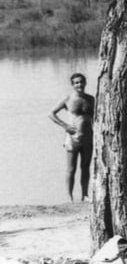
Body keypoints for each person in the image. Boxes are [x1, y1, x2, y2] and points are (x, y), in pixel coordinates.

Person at [49, 72, 95, 202]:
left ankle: (85, 195)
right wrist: (65, 126)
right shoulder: (67, 99)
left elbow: (96, 117)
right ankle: (69, 197)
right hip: (72, 138)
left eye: (81, 82)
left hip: (87, 137)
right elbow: (51, 113)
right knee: (71, 168)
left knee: (85, 167)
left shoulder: (91, 99)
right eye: (76, 83)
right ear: (72, 85)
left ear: (85, 83)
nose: (79, 84)